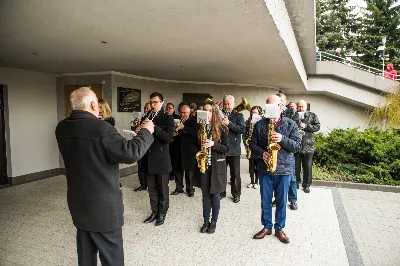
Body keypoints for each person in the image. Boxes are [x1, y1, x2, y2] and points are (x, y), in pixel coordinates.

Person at [55, 87, 155, 266]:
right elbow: (131, 153)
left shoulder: (62, 127)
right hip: (103, 207)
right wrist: (146, 131)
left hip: (79, 203)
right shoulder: (102, 128)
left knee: (85, 257)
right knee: (112, 259)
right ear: (94, 104)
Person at [250, 95, 300, 244]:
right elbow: (252, 144)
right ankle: (266, 226)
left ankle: (279, 228)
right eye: (267, 106)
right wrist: (262, 153)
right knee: (265, 200)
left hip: (283, 170)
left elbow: (297, 146)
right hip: (265, 168)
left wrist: (282, 139)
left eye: (273, 106)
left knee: (281, 201)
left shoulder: (291, 124)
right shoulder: (259, 124)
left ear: (281, 106)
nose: (269, 109)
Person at [193, 102, 229, 234]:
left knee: (215, 195)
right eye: (204, 110)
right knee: (205, 195)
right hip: (204, 166)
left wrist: (213, 144)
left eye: (208, 110)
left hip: (216, 167)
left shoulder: (223, 128)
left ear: (214, 113)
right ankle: (205, 221)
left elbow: (226, 148)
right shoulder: (200, 128)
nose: (205, 113)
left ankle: (214, 221)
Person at [141, 92, 175, 226]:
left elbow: (168, 138)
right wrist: (140, 129)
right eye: (151, 102)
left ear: (162, 102)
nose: (153, 104)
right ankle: (154, 211)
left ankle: (162, 212)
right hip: (148, 156)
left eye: (155, 102)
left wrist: (154, 127)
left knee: (162, 188)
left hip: (161, 158)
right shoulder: (147, 115)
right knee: (152, 188)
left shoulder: (168, 118)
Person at [221, 95, 246, 203]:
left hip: (234, 149)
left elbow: (242, 129)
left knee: (235, 173)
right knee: (221, 172)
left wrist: (229, 123)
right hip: (221, 147)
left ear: (233, 104)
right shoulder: (219, 114)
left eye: (229, 104)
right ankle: (221, 192)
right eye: (225, 103)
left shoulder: (239, 115)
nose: (227, 106)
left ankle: (236, 194)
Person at [277, 93, 299, 210]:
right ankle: (279, 198)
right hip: (276, 149)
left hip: (287, 147)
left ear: (285, 101)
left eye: (281, 100)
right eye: (278, 100)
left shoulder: (292, 113)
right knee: (277, 176)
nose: (279, 102)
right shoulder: (272, 111)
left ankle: (293, 199)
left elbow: (296, 126)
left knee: (291, 176)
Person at [170, 102, 198, 197]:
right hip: (177, 148)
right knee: (177, 169)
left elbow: (196, 134)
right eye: (181, 112)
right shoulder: (176, 121)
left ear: (189, 112)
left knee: (189, 170)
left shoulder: (194, 121)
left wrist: (184, 128)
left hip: (189, 150)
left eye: (185, 112)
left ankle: (190, 189)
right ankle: (179, 188)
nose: (183, 114)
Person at [295, 100, 320, 193]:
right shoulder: (294, 115)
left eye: (302, 106)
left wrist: (306, 126)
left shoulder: (312, 115)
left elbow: (317, 127)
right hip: (296, 145)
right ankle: (296, 183)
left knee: (308, 166)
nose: (301, 108)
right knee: (296, 166)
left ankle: (307, 185)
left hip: (308, 144)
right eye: (299, 106)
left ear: (306, 107)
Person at [133, 102, 152, 192]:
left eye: (148, 108)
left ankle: (150, 185)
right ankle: (143, 184)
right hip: (141, 145)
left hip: (149, 146)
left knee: (148, 167)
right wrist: (137, 128)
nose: (145, 110)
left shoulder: (153, 119)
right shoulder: (143, 118)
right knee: (140, 166)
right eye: (145, 108)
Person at [243, 106, 263, 189]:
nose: (254, 114)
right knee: (251, 165)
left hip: (258, 146)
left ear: (259, 113)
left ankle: (256, 182)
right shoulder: (248, 122)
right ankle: (251, 181)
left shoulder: (262, 122)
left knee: (258, 165)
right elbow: (244, 134)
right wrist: (246, 142)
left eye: (256, 112)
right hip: (250, 146)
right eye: (253, 112)